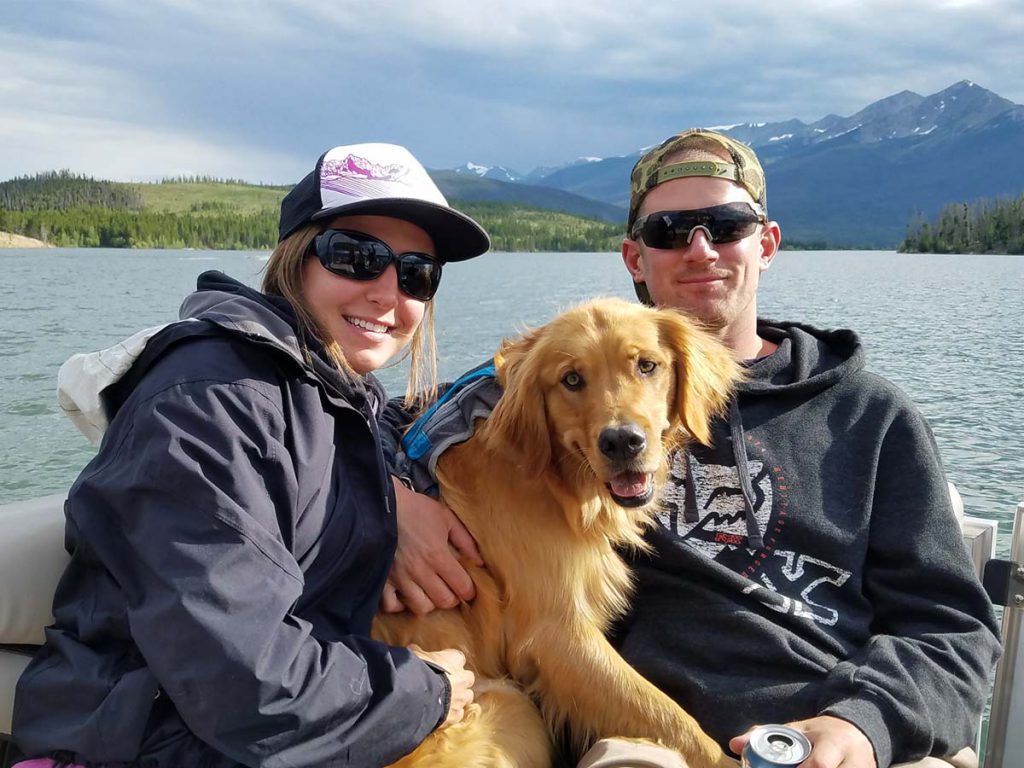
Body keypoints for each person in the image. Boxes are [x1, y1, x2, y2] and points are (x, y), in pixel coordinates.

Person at [380, 130, 1002, 768]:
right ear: (634, 257)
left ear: (766, 243)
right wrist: (390, 503)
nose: (700, 249)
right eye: (671, 230)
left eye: (727, 225)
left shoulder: (872, 416)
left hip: (856, 734)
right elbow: (360, 424)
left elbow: (953, 629)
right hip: (652, 743)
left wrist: (864, 726)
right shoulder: (547, 390)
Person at [11, 142, 490, 768]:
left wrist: (389, 496)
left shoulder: (340, 395)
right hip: (151, 743)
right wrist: (426, 692)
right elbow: (240, 681)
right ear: (294, 259)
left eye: (416, 273)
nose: (386, 292)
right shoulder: (207, 404)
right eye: (356, 256)